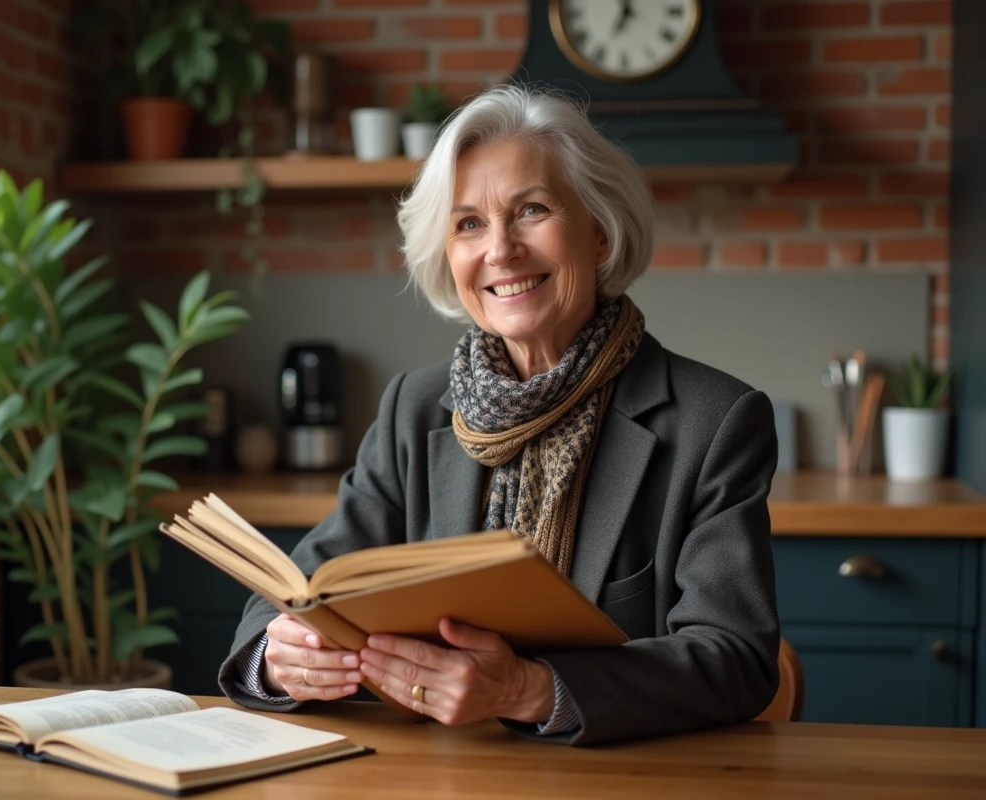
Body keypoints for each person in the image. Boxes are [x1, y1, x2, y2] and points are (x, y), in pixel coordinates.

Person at [217, 83, 780, 746]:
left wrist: (528, 689)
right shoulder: (413, 409)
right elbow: (299, 588)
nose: (500, 249)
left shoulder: (715, 422)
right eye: (468, 224)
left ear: (600, 233)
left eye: (531, 210)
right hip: (439, 773)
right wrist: (279, 656)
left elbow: (737, 661)